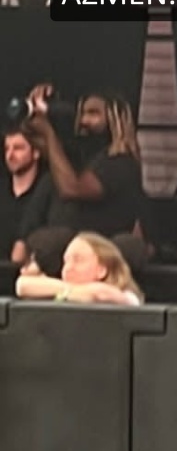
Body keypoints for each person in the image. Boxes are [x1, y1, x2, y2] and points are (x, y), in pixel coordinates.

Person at [20, 89, 144, 241]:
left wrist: (49, 134)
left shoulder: (120, 162)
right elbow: (53, 156)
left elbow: (72, 189)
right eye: (83, 114)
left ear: (115, 119)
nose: (84, 120)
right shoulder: (88, 157)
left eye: (93, 113)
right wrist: (27, 125)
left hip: (98, 247)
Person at [14, 230, 143, 305]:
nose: (68, 268)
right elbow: (22, 285)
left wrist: (59, 290)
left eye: (78, 260)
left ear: (102, 270)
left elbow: (99, 294)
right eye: (66, 261)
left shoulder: (129, 298)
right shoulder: (67, 292)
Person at [1, 128, 45, 261]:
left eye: (18, 148)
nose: (10, 155)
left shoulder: (45, 191)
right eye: (7, 149)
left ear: (36, 152)